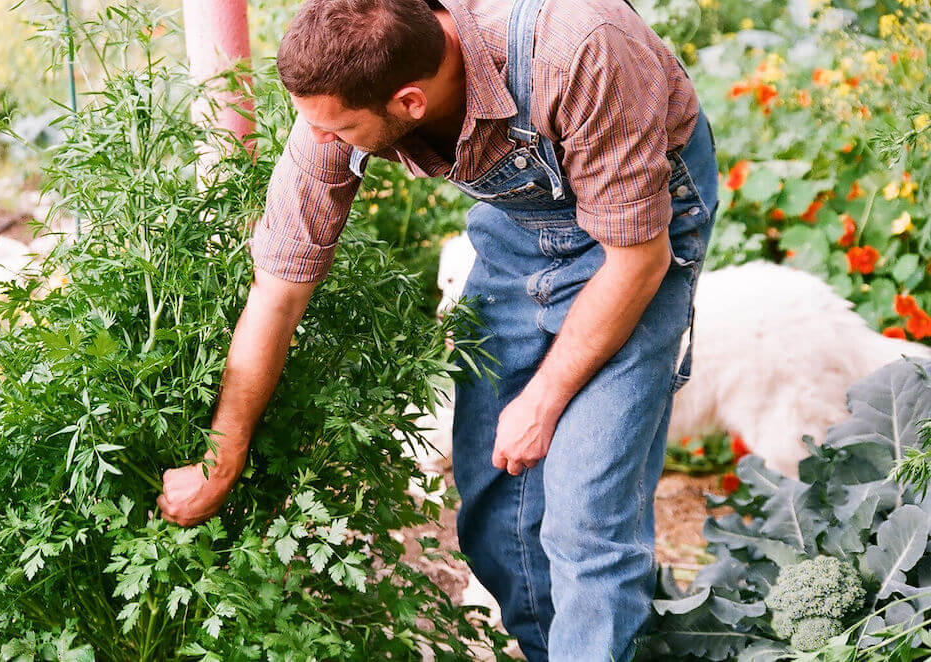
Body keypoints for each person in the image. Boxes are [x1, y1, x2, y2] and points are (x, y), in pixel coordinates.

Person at [156, 0, 718, 658]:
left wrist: (541, 399)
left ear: (411, 102)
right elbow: (278, 290)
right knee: (494, 513)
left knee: (587, 518)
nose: (321, 141)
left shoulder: (576, 48)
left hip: (638, 234)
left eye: (338, 129)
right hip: (519, 229)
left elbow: (636, 260)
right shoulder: (344, 96)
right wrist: (222, 463)